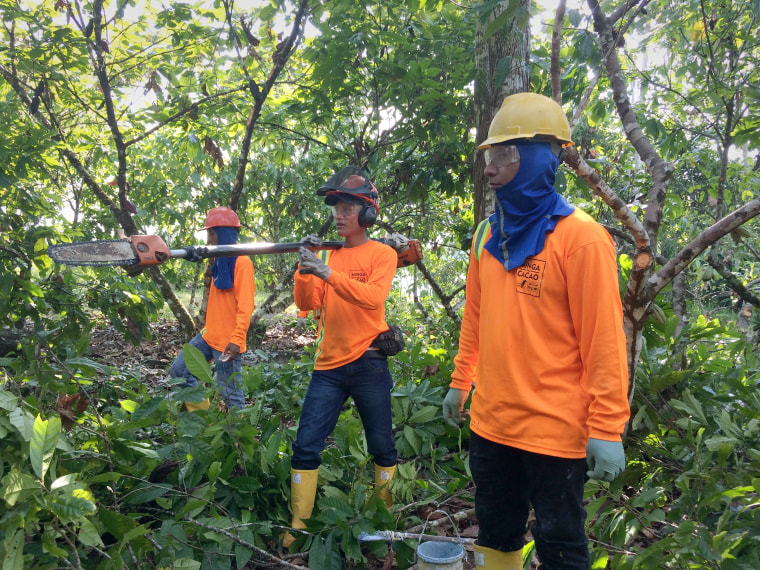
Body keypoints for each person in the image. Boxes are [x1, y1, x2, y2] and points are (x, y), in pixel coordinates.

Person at [441, 93, 630, 569]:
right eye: (489, 155)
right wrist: (461, 381)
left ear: (540, 158)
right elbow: (476, 319)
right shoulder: (488, 234)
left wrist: (607, 427)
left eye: (504, 155)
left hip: (555, 432)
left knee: (561, 546)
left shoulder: (581, 239)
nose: (490, 168)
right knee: (496, 534)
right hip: (493, 424)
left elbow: (604, 343)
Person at [281, 167, 399, 549]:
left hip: (369, 364)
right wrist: (305, 267)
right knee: (306, 445)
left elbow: (372, 298)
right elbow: (306, 303)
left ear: (367, 214)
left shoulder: (382, 254)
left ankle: (383, 514)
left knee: (382, 444)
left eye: (347, 208)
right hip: (328, 367)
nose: (339, 215)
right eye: (336, 208)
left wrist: (326, 270)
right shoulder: (326, 257)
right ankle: (299, 522)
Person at [169, 206, 255, 411]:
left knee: (230, 393)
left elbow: (246, 305)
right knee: (179, 370)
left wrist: (237, 339)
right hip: (209, 335)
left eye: (212, 232)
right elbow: (199, 253)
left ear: (224, 233)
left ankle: (238, 440)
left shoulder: (242, 262)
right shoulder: (219, 258)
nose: (209, 238)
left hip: (228, 340)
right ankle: (201, 415)